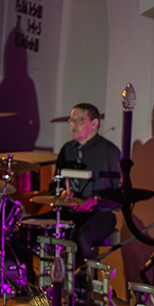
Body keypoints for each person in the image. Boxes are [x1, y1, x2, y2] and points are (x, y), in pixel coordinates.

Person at [55, 102, 122, 261]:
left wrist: (94, 201)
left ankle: (81, 283)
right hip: (70, 211)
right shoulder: (67, 150)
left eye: (79, 120)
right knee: (29, 228)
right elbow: (55, 184)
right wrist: (63, 193)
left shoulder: (110, 152)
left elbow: (118, 196)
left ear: (94, 123)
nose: (73, 125)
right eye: (71, 121)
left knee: (82, 237)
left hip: (100, 214)